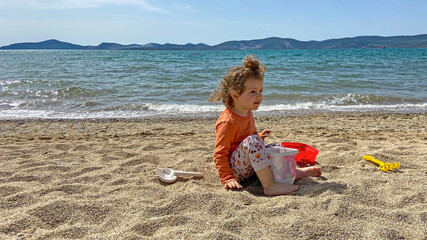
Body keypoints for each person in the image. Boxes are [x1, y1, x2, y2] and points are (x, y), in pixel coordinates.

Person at [209, 55, 321, 196]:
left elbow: (247, 139)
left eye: (260, 91)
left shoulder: (247, 112)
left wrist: (260, 137)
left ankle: (293, 173)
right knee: (254, 141)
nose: (259, 96)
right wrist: (228, 178)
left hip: (249, 165)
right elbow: (220, 154)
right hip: (236, 170)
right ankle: (270, 186)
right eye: (253, 92)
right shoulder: (228, 122)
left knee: (276, 147)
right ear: (235, 95)